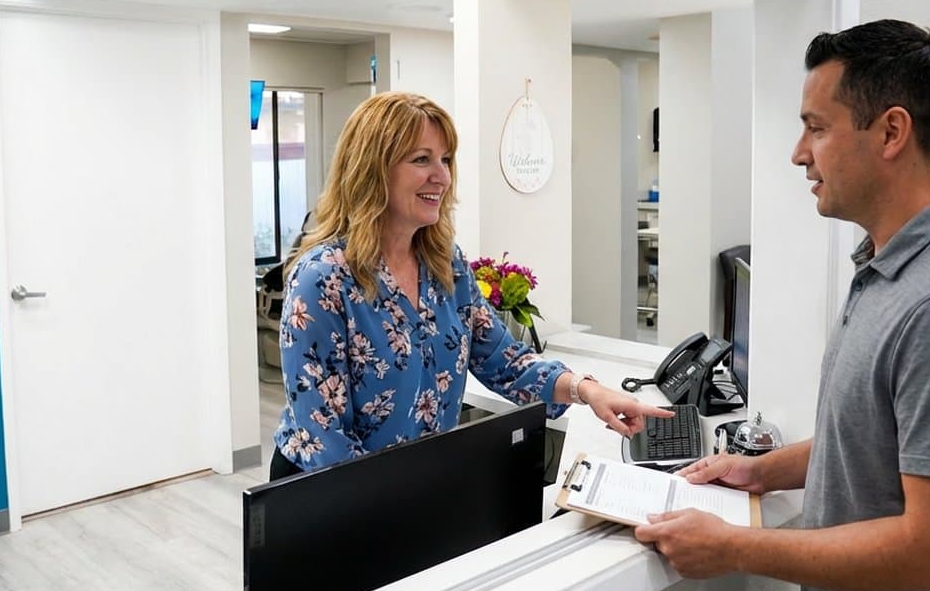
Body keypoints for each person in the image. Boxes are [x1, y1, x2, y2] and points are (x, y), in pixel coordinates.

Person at [635, 20, 930, 591]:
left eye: (816, 128)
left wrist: (738, 548)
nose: (799, 153)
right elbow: (873, 441)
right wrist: (760, 471)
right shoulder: (890, 265)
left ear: (891, 133)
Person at [270, 91, 672, 479]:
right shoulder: (323, 280)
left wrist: (588, 391)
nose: (442, 176)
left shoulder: (445, 264)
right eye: (421, 159)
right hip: (329, 492)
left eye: (445, 159)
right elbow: (326, 440)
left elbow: (504, 361)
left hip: (410, 484)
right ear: (372, 169)